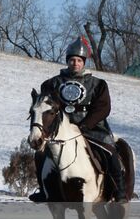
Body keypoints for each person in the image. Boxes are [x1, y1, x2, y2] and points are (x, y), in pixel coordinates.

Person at [29, 38, 127, 202]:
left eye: (79, 60)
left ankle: (119, 192)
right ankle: (43, 190)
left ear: (84, 62)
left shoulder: (98, 84)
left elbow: (103, 108)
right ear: (68, 61)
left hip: (93, 129)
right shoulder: (52, 84)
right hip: (61, 130)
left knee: (110, 152)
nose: (75, 63)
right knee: (40, 154)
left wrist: (86, 125)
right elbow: (46, 107)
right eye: (72, 60)